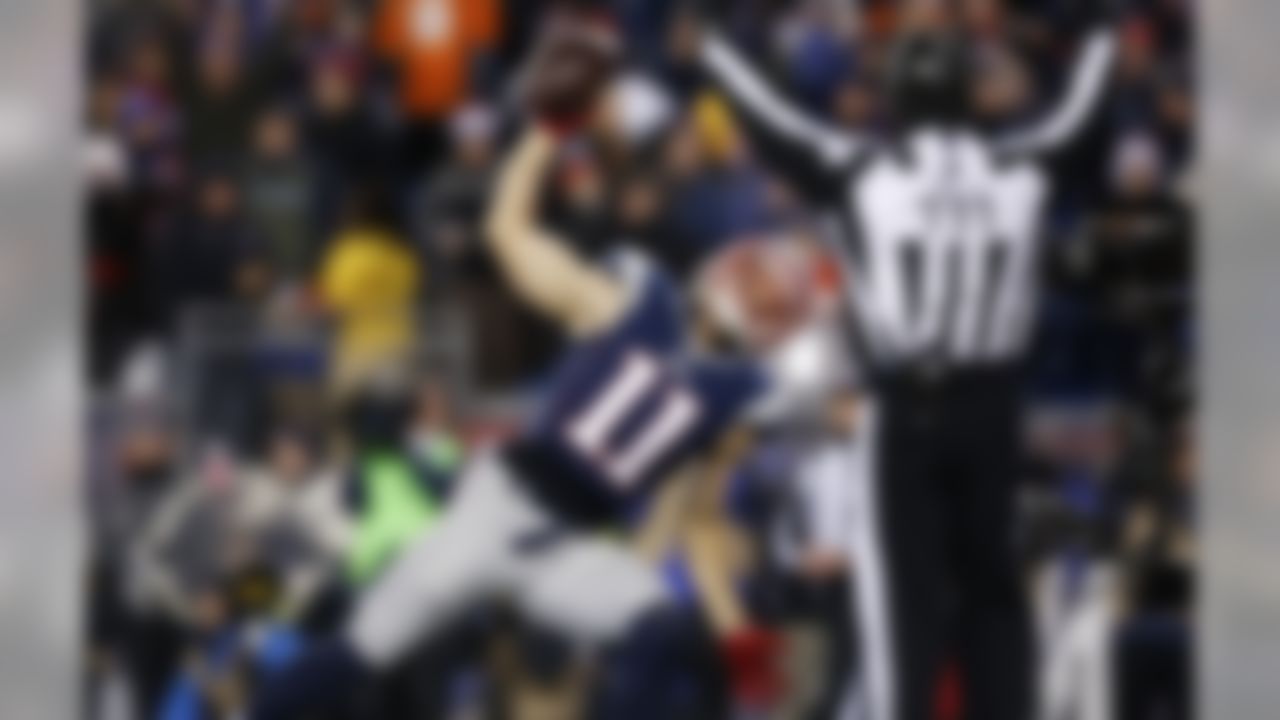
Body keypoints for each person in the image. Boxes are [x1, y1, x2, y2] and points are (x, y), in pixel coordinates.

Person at [251, 19, 837, 718]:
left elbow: (697, 518)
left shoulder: (743, 392)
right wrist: (548, 130)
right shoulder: (633, 299)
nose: (757, 290)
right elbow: (506, 231)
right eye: (759, 277)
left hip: (572, 546)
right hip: (497, 508)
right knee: (360, 654)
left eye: (772, 291)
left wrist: (737, 640)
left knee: (669, 633)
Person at [688, 1, 1121, 718]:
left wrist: (711, 43)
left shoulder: (863, 171)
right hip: (995, 406)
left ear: (895, 100)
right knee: (994, 593)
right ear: (967, 93)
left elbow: (772, 122)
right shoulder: (1023, 165)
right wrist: (1097, 31)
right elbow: (1082, 111)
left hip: (908, 410)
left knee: (903, 602)